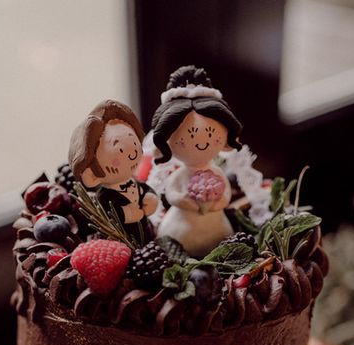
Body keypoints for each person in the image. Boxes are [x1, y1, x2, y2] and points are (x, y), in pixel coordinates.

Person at [151, 66, 243, 257]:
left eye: (212, 135)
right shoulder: (180, 174)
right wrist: (187, 202)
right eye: (188, 138)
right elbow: (172, 194)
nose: (202, 143)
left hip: (218, 231)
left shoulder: (216, 172)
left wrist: (217, 203)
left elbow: (225, 195)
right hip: (180, 233)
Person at [68, 100, 158, 244]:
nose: (132, 154)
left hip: (147, 237)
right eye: (120, 150)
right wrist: (126, 214)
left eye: (135, 143)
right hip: (120, 245)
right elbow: (106, 214)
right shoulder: (104, 195)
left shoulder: (134, 183)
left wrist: (150, 198)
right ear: (91, 175)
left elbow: (145, 189)